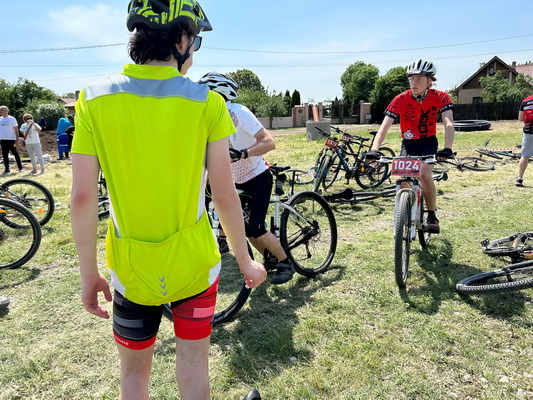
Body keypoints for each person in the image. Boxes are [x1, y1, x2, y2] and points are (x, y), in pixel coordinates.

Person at [70, 2, 266, 399]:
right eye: (196, 42)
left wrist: (89, 274)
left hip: (131, 268)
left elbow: (83, 196)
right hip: (194, 266)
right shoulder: (207, 102)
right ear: (182, 38)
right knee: (193, 371)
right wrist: (245, 260)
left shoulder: (92, 98)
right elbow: (223, 193)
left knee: (133, 377)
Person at [198, 72, 295, 284]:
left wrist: (243, 153)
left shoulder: (239, 112)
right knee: (246, 230)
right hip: (236, 182)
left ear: (218, 95)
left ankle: (286, 262)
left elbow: (269, 142)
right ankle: (269, 258)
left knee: (257, 228)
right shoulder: (210, 118)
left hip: (257, 177)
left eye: (205, 95)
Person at [366, 59, 455, 234]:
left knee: (424, 174)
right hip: (408, 143)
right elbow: (384, 127)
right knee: (403, 179)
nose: (414, 82)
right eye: (411, 78)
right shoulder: (401, 98)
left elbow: (449, 123)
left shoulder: (440, 97)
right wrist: (374, 149)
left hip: (428, 142)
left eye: (419, 78)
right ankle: (405, 211)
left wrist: (447, 148)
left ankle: (431, 215)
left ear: (430, 80)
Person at [515, 93, 533, 187]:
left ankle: (520, 179)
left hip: (528, 130)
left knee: (525, 155)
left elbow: (520, 118)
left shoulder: (525, 101)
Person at [0, 105, 24, 174]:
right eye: (1, 110)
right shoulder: (0, 119)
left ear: (7, 111)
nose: (1, 111)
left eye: (2, 110)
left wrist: (17, 139)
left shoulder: (12, 119)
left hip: (11, 139)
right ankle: (7, 168)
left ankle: (20, 168)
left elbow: (16, 129)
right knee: (5, 154)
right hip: (3, 140)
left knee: (15, 153)